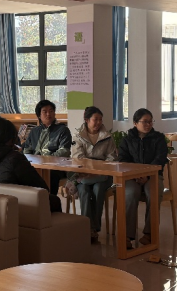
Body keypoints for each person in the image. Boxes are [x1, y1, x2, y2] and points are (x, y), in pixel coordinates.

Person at [0, 118, 61, 212]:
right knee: (54, 200)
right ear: (11, 138)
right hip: (19, 206)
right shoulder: (15, 158)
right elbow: (42, 187)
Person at [120, 108, 168, 250]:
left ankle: (149, 233)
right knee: (130, 194)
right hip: (131, 177)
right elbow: (123, 160)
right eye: (145, 122)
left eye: (150, 122)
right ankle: (127, 235)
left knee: (153, 192)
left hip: (153, 175)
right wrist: (136, 174)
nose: (148, 125)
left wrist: (147, 174)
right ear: (135, 123)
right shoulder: (127, 139)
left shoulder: (158, 138)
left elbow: (160, 158)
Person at [71, 107, 117, 243]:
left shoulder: (107, 136)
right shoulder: (78, 136)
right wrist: (91, 168)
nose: (98, 122)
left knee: (98, 189)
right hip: (84, 174)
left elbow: (112, 158)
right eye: (95, 119)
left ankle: (93, 228)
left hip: (103, 176)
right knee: (84, 191)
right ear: (87, 120)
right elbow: (78, 158)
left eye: (100, 119)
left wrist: (98, 169)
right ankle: (88, 228)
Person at [23, 100, 72, 196]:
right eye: (44, 111)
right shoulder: (34, 131)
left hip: (56, 167)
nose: (48, 114)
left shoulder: (62, 130)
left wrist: (46, 159)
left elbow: (64, 151)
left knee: (50, 176)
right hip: (36, 166)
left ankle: (50, 201)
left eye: (51, 111)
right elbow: (27, 150)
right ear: (39, 115)